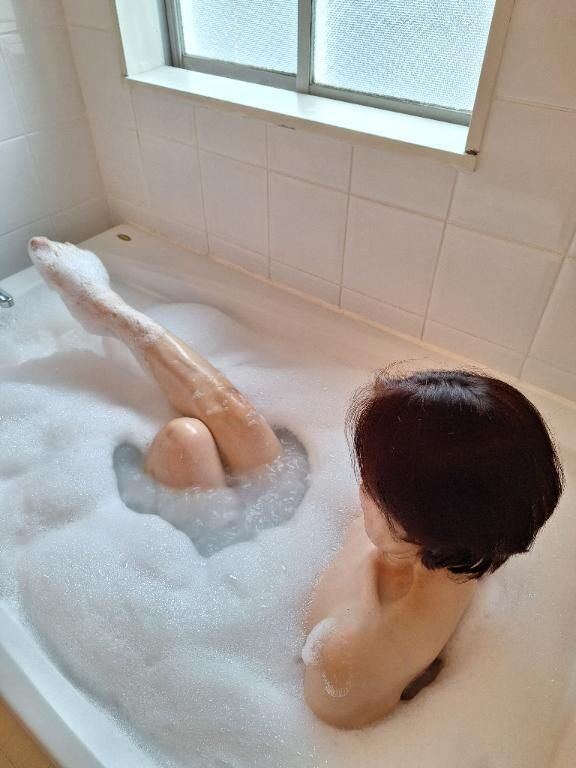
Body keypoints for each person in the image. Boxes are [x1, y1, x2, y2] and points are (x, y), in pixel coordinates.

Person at [28, 237, 564, 730]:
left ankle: (117, 320)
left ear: (407, 523)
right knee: (220, 423)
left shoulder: (351, 661)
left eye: (371, 480)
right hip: (294, 544)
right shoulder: (478, 531)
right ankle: (117, 316)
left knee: (181, 443)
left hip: (224, 575)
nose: (359, 481)